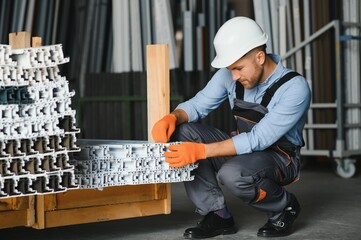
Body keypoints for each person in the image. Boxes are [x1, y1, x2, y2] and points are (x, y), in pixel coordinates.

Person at [151, 16, 311, 239]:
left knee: (232, 174)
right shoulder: (230, 75)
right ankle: (217, 214)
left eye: (238, 68)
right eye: (230, 69)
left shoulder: (294, 88)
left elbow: (259, 139)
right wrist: (173, 116)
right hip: (243, 151)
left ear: (260, 57)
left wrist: (201, 151)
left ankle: (283, 207)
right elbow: (198, 104)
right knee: (183, 132)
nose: (233, 76)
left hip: (279, 158)